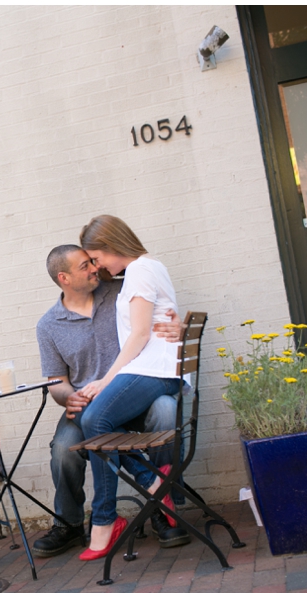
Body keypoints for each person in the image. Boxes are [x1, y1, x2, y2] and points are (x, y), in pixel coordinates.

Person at [33, 244, 190, 558]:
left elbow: (157, 316)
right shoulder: (48, 326)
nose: (94, 268)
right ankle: (70, 523)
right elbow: (56, 384)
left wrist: (178, 325)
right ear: (64, 278)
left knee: (165, 409)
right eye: (84, 265)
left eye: (93, 260)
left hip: (135, 397)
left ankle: (160, 508)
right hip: (87, 406)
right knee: (64, 450)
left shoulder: (120, 291)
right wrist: (70, 397)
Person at [75, 215, 183, 561]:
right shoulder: (147, 267)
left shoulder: (140, 270)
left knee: (93, 421)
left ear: (112, 245)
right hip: (156, 367)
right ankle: (154, 483)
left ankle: (106, 521)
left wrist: (106, 380)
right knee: (95, 421)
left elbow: (139, 334)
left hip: (154, 369)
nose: (98, 265)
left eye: (96, 257)